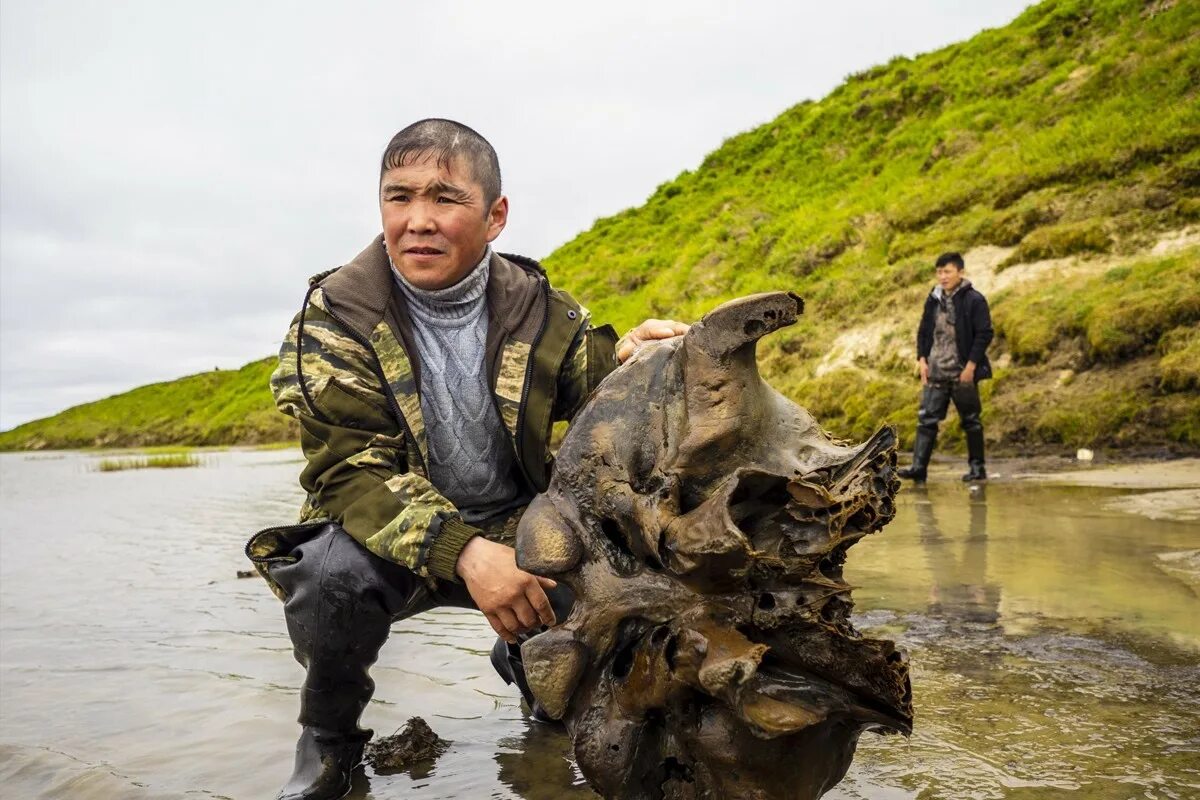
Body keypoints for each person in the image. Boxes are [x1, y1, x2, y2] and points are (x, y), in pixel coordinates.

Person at [248, 118, 688, 800]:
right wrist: (466, 553)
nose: (417, 220)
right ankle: (329, 748)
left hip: (521, 529)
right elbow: (348, 474)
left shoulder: (543, 311)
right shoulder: (335, 318)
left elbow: (598, 401)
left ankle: (537, 683)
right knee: (327, 579)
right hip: (384, 536)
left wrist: (636, 362)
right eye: (399, 197)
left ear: (495, 216)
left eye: (444, 198)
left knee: (621, 580)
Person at [897, 251, 993, 483]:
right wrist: (922, 360)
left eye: (947, 271)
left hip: (962, 372)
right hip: (936, 370)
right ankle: (919, 467)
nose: (942, 276)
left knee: (971, 421)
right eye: (939, 272)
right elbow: (923, 331)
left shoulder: (974, 300)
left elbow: (984, 333)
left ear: (960, 272)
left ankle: (977, 469)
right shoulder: (933, 298)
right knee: (926, 420)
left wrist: (971, 366)